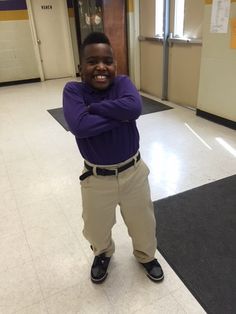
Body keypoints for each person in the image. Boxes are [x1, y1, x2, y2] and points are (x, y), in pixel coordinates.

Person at [63, 32, 164, 284]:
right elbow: (80, 126)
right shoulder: (73, 91)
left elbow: (134, 108)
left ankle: (145, 255)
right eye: (92, 61)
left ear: (114, 65)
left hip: (134, 173)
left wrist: (94, 108)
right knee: (95, 228)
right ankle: (103, 253)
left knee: (143, 224)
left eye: (107, 61)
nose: (101, 67)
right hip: (97, 179)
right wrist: (120, 114)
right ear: (81, 66)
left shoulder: (123, 83)